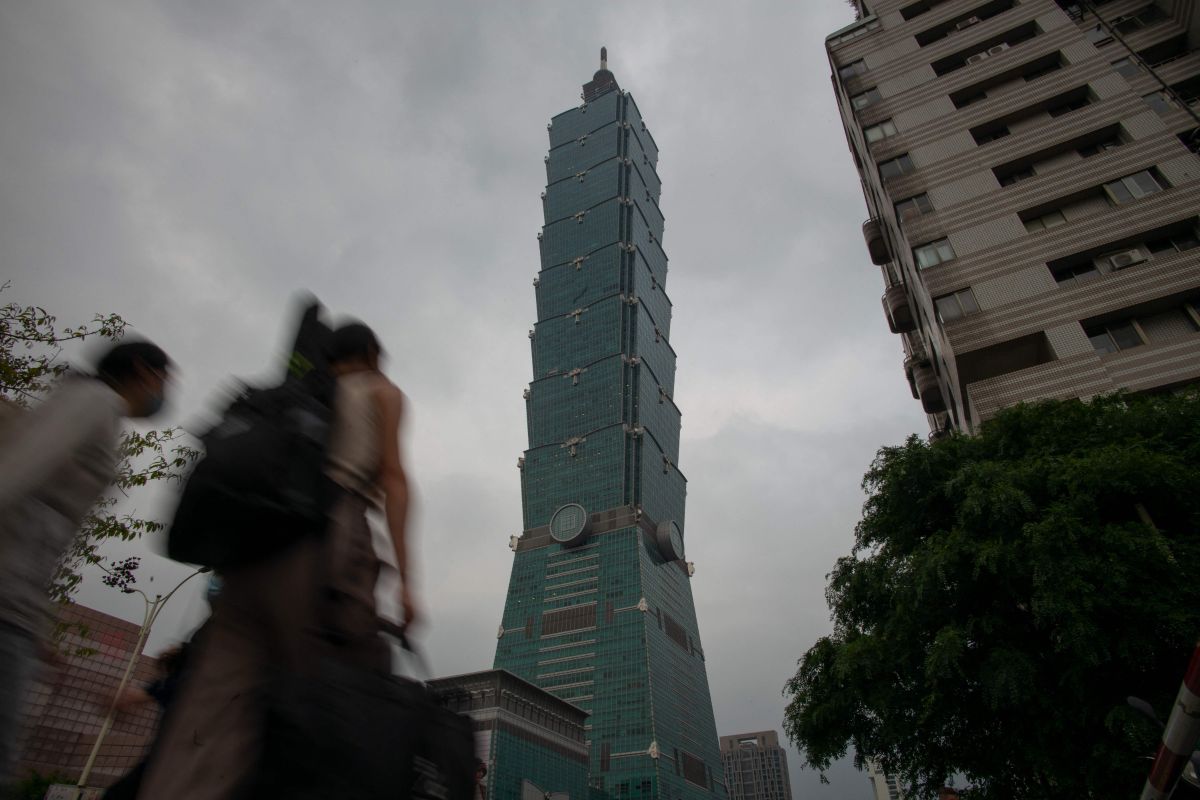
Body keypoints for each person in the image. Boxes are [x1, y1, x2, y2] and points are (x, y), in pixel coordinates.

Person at [138, 321, 417, 800]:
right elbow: (393, 479)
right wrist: (408, 581)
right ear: (372, 355)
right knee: (333, 704)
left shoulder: (293, 394)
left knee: (208, 717)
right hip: (329, 541)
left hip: (252, 553)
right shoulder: (379, 390)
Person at [0, 341, 171, 788]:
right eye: (165, 379)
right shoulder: (93, 401)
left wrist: (37, 628)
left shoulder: (97, 411)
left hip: (17, 607)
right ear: (144, 371)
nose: (164, 392)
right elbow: (17, 468)